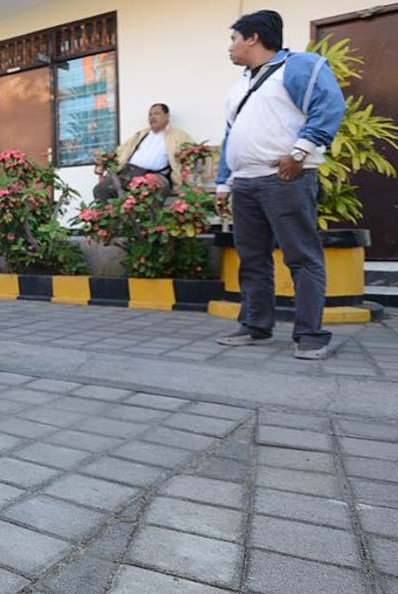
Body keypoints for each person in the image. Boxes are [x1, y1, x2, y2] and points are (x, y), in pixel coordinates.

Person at [214, 10, 345, 360]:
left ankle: (310, 334)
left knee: (301, 256)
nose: (230, 47)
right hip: (245, 182)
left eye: (233, 39)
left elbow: (329, 106)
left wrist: (300, 152)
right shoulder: (241, 83)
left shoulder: (300, 66)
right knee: (252, 259)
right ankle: (256, 326)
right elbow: (231, 135)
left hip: (286, 177)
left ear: (253, 37)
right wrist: (223, 183)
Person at [93, 103, 192, 200]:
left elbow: (192, 153)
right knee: (100, 189)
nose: (152, 117)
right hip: (129, 173)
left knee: (151, 190)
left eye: (156, 114)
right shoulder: (141, 134)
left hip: (156, 175)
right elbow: (121, 152)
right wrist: (104, 160)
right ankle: (112, 216)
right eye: (150, 114)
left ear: (167, 116)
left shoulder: (179, 135)